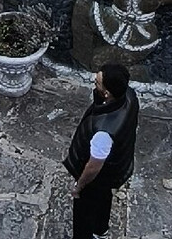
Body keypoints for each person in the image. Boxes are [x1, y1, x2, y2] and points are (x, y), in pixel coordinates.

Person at [64, 63, 139, 239]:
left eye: (97, 82)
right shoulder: (130, 96)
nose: (94, 83)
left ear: (107, 93)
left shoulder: (103, 133)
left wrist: (80, 186)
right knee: (104, 199)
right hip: (113, 170)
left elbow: (94, 166)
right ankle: (100, 230)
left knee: (83, 214)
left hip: (98, 178)